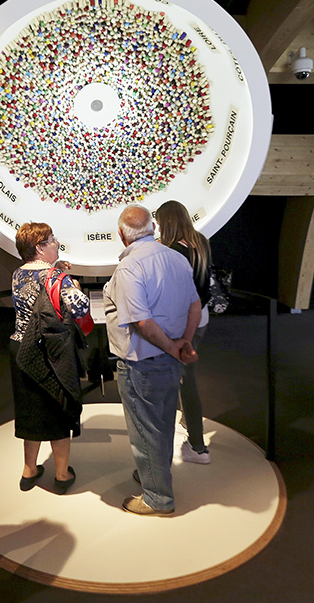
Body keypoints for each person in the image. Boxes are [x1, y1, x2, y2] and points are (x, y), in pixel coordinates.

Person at [104, 205, 201, 516]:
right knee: (162, 424)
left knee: (146, 429)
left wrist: (174, 347)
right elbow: (195, 307)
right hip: (169, 360)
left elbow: (142, 323)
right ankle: (154, 475)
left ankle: (157, 497)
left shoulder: (129, 268)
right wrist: (183, 343)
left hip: (141, 364)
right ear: (153, 229)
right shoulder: (176, 258)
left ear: (122, 235)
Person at [10, 222, 91, 494]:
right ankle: (61, 474)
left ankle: (29, 470)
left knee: (30, 410)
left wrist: (58, 271)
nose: (57, 243)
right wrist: (74, 283)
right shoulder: (58, 279)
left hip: (21, 349)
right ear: (40, 248)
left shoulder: (17, 274)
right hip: (51, 351)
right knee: (59, 409)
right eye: (52, 240)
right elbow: (81, 307)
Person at [156, 200, 213, 465]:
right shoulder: (200, 241)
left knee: (184, 381)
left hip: (182, 323)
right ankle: (187, 422)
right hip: (202, 318)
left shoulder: (169, 250)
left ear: (166, 221)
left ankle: (198, 446)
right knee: (185, 378)